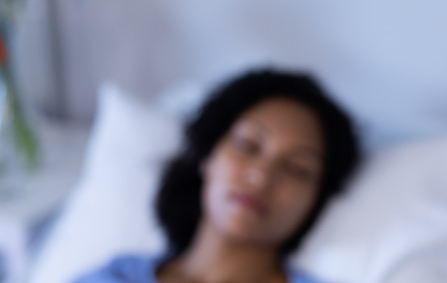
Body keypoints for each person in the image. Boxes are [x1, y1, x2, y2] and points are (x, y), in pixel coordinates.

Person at [74, 69, 362, 283]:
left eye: (297, 169)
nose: (261, 177)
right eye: (248, 146)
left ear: (316, 199)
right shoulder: (113, 277)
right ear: (207, 155)